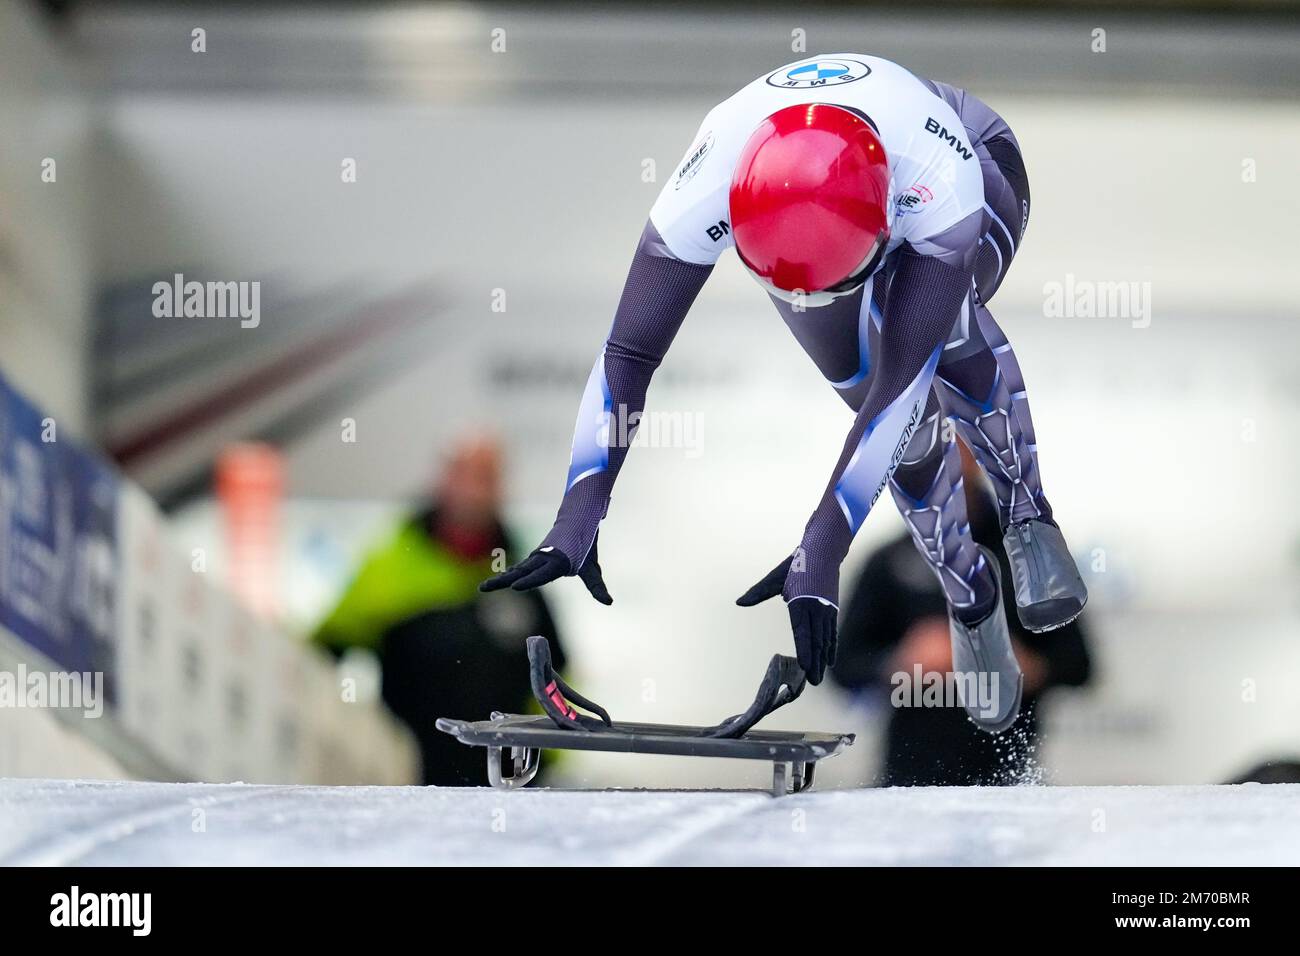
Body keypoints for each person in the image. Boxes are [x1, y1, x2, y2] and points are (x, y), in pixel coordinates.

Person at [482, 54, 1087, 733]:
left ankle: (1027, 513)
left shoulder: (939, 184)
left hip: (979, 164)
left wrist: (822, 546)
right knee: (904, 432)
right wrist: (580, 508)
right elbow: (629, 352)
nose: (824, 299)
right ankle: (968, 591)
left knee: (941, 339)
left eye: (834, 285)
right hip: (829, 224)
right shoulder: (708, 181)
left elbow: (900, 389)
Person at [313, 434, 567, 785]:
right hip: (407, 784)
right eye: (464, 473)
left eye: (486, 477)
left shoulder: (523, 577)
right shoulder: (388, 566)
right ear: (442, 478)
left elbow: (557, 674)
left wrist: (550, 756)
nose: (473, 490)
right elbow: (324, 652)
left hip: (507, 787)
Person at [833, 443, 1092, 785]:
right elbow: (843, 666)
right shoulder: (889, 561)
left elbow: (1079, 665)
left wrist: (1022, 664)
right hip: (909, 780)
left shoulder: (1030, 556)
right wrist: (901, 661)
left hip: (1009, 780)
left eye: (955, 441)